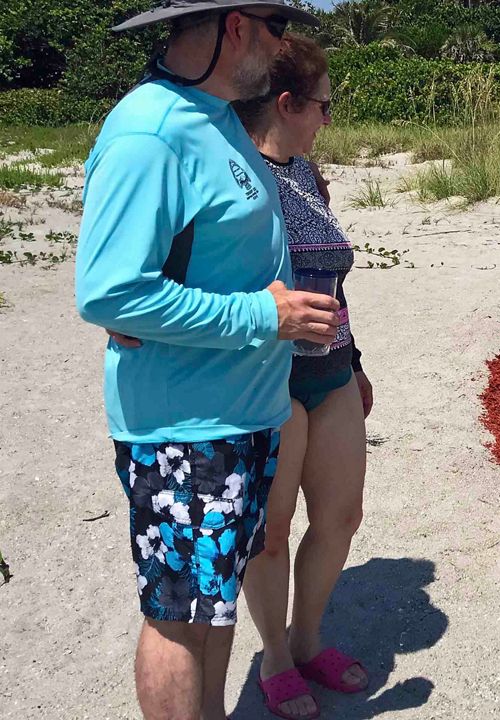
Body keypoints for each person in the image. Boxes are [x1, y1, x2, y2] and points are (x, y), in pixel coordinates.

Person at [74, 2, 338, 719]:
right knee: (179, 617)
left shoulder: (217, 115)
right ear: (235, 26)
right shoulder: (149, 131)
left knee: (211, 609)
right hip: (184, 429)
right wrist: (264, 316)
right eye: (276, 26)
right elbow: (108, 291)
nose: (283, 44)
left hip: (241, 417)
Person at [232, 35, 373, 720]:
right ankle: (275, 659)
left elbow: (334, 282)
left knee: (341, 516)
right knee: (273, 527)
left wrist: (359, 359)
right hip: (268, 377)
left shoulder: (310, 174)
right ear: (286, 103)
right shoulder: (234, 176)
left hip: (333, 369)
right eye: (323, 103)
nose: (328, 116)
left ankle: (307, 637)